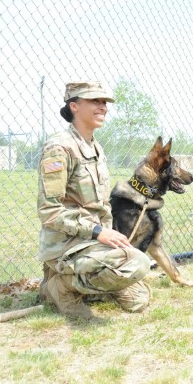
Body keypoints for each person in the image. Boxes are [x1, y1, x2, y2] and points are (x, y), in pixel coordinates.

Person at [37, 81, 151, 319]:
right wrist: (98, 231)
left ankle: (94, 284)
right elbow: (50, 212)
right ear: (74, 106)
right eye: (95, 101)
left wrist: (107, 236)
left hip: (95, 242)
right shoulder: (60, 148)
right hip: (68, 244)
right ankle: (60, 287)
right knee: (138, 263)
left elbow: (100, 206)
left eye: (105, 103)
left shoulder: (95, 147)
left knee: (138, 299)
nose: (103, 107)